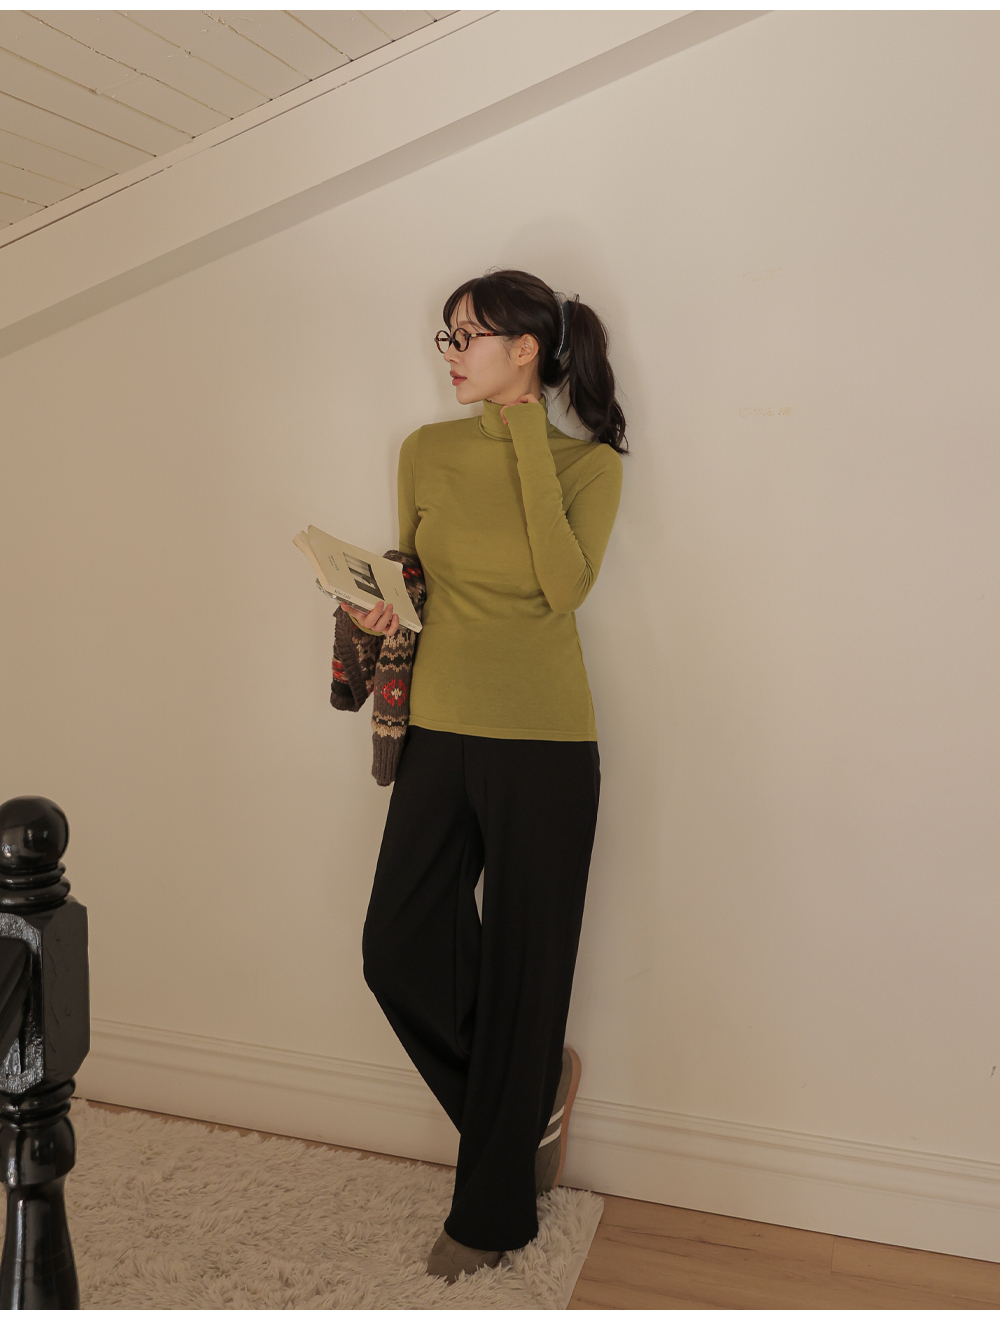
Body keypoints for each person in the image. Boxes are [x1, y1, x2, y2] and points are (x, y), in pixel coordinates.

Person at [339, 267, 628, 1283]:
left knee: (521, 968)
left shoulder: (589, 466)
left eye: (468, 337)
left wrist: (524, 436)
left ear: (526, 351)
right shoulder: (423, 450)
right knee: (396, 945)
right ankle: (523, 1108)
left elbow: (561, 586)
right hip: (438, 729)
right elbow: (418, 578)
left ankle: (493, 1209)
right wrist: (380, 601)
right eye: (448, 336)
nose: (451, 354)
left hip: (545, 742)